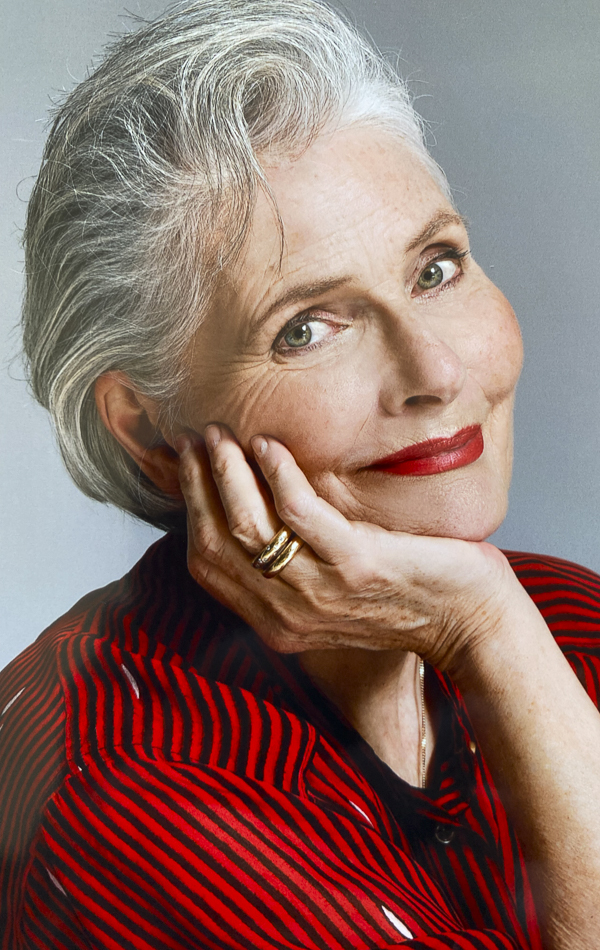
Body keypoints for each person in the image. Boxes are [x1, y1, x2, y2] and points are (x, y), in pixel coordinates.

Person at [1, 1, 599, 948]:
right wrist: (482, 626)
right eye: (307, 328)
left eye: (435, 269)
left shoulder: (568, 625)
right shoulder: (136, 801)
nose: (436, 372)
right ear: (152, 431)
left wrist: (496, 632)